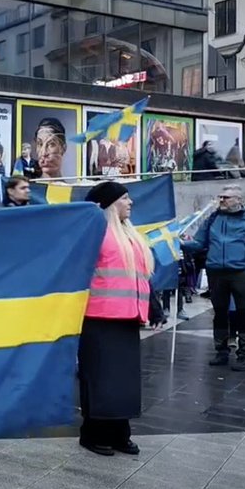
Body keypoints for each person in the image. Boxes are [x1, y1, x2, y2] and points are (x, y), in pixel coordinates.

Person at [78, 181, 153, 456]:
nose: (130, 202)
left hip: (127, 317)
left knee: (124, 381)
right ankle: (93, 433)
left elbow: (140, 274)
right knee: (100, 379)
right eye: (124, 198)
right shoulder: (95, 232)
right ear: (109, 204)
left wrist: (153, 305)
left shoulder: (129, 233)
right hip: (98, 318)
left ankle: (121, 433)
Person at [182, 184, 245, 371]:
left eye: (226, 197)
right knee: (220, 314)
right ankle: (221, 351)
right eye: (220, 197)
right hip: (217, 273)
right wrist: (179, 243)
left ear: (239, 200)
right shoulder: (212, 219)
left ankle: (244, 354)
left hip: (241, 274)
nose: (221, 200)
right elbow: (199, 243)